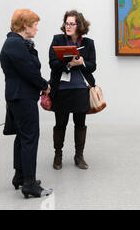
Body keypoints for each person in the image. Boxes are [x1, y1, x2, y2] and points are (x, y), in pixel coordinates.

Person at [0, 9, 53, 199]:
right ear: (25, 25)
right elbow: (29, 71)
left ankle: (20, 176)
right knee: (30, 137)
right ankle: (29, 184)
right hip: (22, 97)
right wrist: (45, 85)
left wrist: (40, 83)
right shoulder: (15, 44)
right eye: (35, 24)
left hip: (19, 96)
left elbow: (28, 70)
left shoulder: (17, 43)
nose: (37, 28)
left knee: (23, 137)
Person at [49, 10, 96, 170]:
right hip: (61, 89)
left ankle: (79, 156)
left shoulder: (88, 43)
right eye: (66, 23)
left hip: (80, 89)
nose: (68, 26)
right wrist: (69, 64)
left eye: (71, 23)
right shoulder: (58, 40)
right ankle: (58, 156)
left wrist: (82, 62)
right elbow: (53, 64)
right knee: (60, 124)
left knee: (80, 124)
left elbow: (93, 66)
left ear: (79, 25)